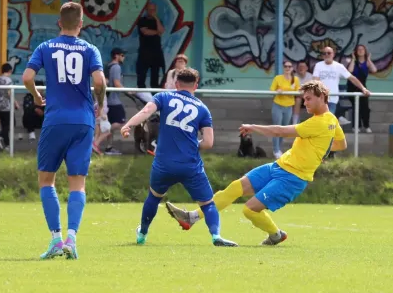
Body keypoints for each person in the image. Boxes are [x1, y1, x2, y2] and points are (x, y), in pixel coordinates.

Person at [165, 80, 347, 245]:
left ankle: (276, 235)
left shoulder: (319, 123)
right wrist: (322, 150)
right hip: (279, 166)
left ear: (322, 97)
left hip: (293, 178)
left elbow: (280, 131)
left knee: (250, 210)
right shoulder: (331, 120)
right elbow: (341, 144)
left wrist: (253, 127)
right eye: (304, 99)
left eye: (308, 99)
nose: (304, 103)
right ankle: (192, 217)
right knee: (235, 188)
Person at [22, 1, 106, 260]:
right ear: (81, 24)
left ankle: (56, 240)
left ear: (59, 23)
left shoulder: (45, 47)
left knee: (46, 181)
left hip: (55, 120)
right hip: (82, 121)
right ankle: (72, 238)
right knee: (77, 184)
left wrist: (36, 95)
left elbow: (26, 77)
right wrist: (99, 104)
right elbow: (100, 82)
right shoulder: (90, 49)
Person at [120, 67, 237, 247]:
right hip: (190, 165)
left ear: (176, 84)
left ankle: (142, 234)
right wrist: (192, 144)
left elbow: (146, 112)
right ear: (196, 86)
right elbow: (208, 143)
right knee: (207, 203)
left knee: (154, 197)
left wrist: (128, 125)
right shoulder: (203, 109)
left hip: (164, 163)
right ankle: (216, 236)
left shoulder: (164, 97)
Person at [313, 46, 370, 125]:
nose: (326, 55)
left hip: (332, 99)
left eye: (329, 53)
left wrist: (363, 88)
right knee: (322, 122)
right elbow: (315, 80)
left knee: (327, 121)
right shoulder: (318, 65)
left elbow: (352, 78)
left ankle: (335, 126)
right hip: (320, 99)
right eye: (324, 53)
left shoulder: (339, 66)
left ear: (333, 54)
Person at [93, 48, 126, 156]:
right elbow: (116, 83)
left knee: (105, 124)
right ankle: (96, 142)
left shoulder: (107, 66)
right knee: (119, 123)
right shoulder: (116, 67)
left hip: (105, 102)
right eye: (122, 55)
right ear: (117, 56)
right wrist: (129, 92)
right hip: (112, 101)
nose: (124, 57)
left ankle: (107, 146)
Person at [269, 61, 300, 158]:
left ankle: (279, 149)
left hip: (289, 106)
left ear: (292, 68)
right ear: (283, 68)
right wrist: (277, 91)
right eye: (286, 66)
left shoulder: (295, 79)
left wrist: (288, 91)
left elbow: (298, 92)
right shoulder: (278, 78)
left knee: (284, 129)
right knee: (277, 128)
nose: (287, 68)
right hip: (278, 105)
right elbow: (271, 91)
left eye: (289, 66)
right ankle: (276, 150)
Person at [347, 45, 377, 133]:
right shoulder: (352, 61)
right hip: (352, 87)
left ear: (365, 51)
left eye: (362, 49)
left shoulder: (367, 62)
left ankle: (366, 126)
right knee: (356, 107)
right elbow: (350, 71)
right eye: (358, 49)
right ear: (355, 51)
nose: (360, 51)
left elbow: (374, 70)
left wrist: (368, 59)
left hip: (362, 87)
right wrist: (353, 59)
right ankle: (356, 126)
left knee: (365, 107)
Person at [137, 3, 166, 89]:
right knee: (142, 74)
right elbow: (145, 32)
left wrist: (156, 18)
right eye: (150, 10)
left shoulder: (158, 21)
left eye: (153, 10)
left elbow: (162, 30)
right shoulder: (142, 20)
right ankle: (141, 93)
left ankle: (154, 94)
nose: (151, 12)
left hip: (156, 52)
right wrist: (157, 32)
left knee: (155, 75)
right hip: (144, 51)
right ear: (146, 10)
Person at [0, 63, 19, 151]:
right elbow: (9, 92)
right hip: (6, 106)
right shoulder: (8, 80)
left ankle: (7, 145)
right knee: (12, 123)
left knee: (4, 125)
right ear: (10, 71)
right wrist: (15, 103)